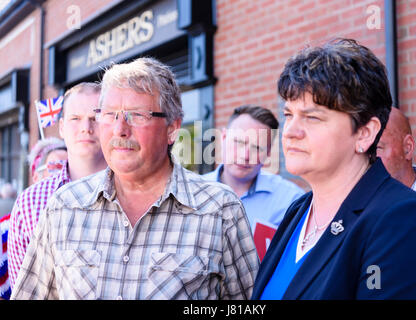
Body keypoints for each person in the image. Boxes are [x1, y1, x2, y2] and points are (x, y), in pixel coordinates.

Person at [11, 57, 259, 300]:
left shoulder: (220, 209)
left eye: (137, 115)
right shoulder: (63, 206)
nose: (120, 129)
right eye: (109, 114)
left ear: (172, 128)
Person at [251, 38, 416, 300]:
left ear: (365, 134)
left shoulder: (405, 221)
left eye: (312, 117)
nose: (290, 132)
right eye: (289, 115)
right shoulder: (298, 211)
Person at [8, 82, 107, 288]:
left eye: (95, 118)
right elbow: (23, 289)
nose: (85, 128)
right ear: (61, 127)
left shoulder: (134, 193)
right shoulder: (29, 203)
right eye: (75, 119)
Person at [203, 105, 305, 260]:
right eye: (238, 142)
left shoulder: (292, 200)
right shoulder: (192, 192)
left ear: (269, 153)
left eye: (257, 147)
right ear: (223, 138)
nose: (245, 155)